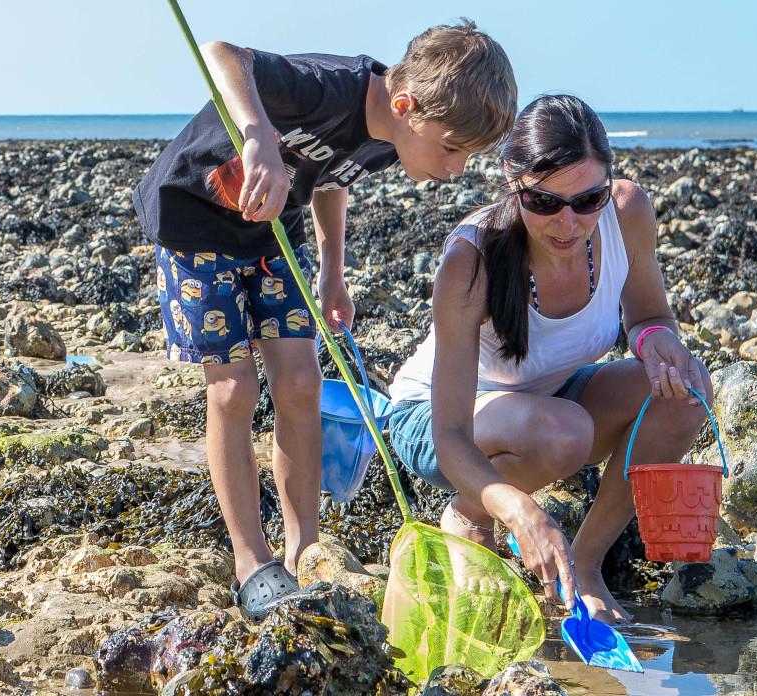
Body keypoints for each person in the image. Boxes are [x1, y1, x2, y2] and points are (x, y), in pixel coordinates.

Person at [132, 19, 517, 619]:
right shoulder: (327, 88)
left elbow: (334, 178)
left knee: (302, 382)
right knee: (234, 389)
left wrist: (333, 269)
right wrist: (257, 136)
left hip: (272, 232)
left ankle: (303, 545)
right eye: (451, 148)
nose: (455, 169)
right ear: (406, 104)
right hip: (193, 220)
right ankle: (249, 559)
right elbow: (222, 54)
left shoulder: (392, 135)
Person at [385, 94, 712, 624]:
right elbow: (449, 437)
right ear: (513, 183)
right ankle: (468, 510)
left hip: (544, 399)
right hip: (437, 420)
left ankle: (583, 565)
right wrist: (518, 510)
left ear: (608, 185)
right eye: (544, 203)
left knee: (687, 391)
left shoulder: (626, 214)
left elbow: (650, 315)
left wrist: (656, 341)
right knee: (565, 433)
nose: (568, 223)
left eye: (587, 200)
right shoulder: (472, 259)